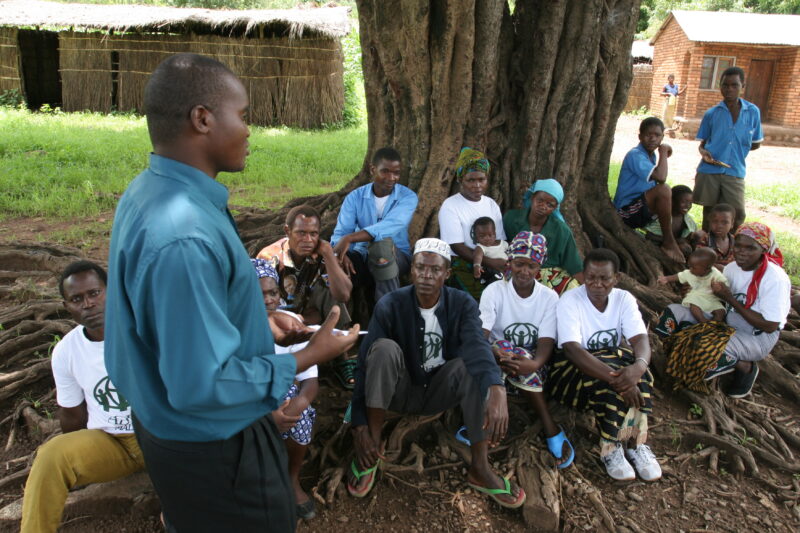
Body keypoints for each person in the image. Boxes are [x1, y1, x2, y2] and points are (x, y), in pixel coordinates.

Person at [104, 53, 359, 532]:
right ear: (202, 119)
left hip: (170, 427)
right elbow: (199, 385)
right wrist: (309, 356)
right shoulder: (184, 235)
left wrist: (258, 326)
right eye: (242, 115)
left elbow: (180, 322)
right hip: (214, 446)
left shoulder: (149, 192)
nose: (248, 130)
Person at [347, 238, 526, 509]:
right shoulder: (390, 304)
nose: (426, 276)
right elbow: (364, 365)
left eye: (435, 270)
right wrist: (358, 425)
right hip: (399, 391)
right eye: (420, 268)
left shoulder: (462, 304)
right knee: (382, 349)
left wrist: (496, 388)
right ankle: (372, 443)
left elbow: (477, 345)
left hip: (440, 392)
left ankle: (480, 467)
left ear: (447, 273)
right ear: (411, 271)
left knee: (469, 365)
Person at [21, 261, 145, 533]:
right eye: (76, 299)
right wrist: (81, 462)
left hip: (160, 436)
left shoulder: (144, 329)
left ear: (111, 291)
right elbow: (72, 415)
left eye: (94, 293)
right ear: (66, 306)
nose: (88, 304)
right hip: (113, 443)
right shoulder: (66, 351)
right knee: (51, 455)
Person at [548, 249, 660, 482]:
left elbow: (640, 339)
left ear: (616, 278)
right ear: (583, 276)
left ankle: (636, 442)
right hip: (571, 374)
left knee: (643, 375)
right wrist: (619, 381)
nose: (597, 284)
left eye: (604, 278)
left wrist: (638, 368)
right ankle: (611, 446)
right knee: (606, 382)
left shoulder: (623, 299)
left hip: (611, 363)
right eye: (591, 277)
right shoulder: (570, 300)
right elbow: (572, 349)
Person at [656, 222, 790, 399]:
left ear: (763, 250)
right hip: (726, 320)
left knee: (702, 353)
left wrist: (730, 299)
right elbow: (718, 297)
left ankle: (745, 367)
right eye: (738, 245)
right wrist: (696, 291)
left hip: (756, 336)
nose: (741, 252)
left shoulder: (775, 279)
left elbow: (770, 325)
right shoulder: (733, 268)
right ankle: (671, 353)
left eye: (750, 248)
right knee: (673, 313)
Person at [478, 231, 574, 468]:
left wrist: (534, 364)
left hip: (534, 366)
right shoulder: (494, 291)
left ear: (539, 268)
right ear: (509, 262)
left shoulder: (549, 298)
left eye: (531, 266)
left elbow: (546, 341)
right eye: (519, 264)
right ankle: (487, 417)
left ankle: (547, 423)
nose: (524, 271)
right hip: (497, 361)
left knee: (521, 355)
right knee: (500, 349)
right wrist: (495, 354)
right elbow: (482, 336)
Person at [251, 259, 320, 521]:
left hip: (282, 403)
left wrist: (298, 406)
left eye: (273, 292)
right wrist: (265, 417)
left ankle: (291, 479)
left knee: (298, 409)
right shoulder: (233, 327)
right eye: (260, 294)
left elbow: (310, 380)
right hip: (246, 404)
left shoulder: (290, 322)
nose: (268, 300)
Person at [257, 205, 356, 388]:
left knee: (330, 290)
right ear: (287, 231)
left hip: (309, 312)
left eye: (313, 234)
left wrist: (328, 254)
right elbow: (263, 304)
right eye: (301, 233)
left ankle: (341, 359)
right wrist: (299, 318)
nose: (308, 240)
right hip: (279, 322)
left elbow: (343, 294)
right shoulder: (270, 258)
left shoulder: (321, 254)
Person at [331, 147, 418, 305]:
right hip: (362, 254)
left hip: (397, 256)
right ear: (372, 169)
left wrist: (350, 238)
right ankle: (339, 318)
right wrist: (342, 255)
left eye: (396, 173)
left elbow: (391, 225)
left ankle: (387, 314)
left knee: (381, 249)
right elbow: (341, 233)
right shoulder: (355, 197)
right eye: (385, 171)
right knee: (334, 267)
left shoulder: (407, 197)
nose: (391, 178)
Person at [695, 66, 763, 230]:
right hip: (710, 171)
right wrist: (705, 154)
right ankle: (708, 243)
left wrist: (735, 151)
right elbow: (703, 144)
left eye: (734, 85)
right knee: (710, 213)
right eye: (725, 85)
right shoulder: (711, 114)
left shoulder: (752, 112)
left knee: (737, 213)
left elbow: (755, 143)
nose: (729, 89)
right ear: (720, 86)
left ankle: (732, 243)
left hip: (735, 170)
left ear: (742, 86)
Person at [613, 117, 684, 263]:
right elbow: (661, 177)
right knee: (664, 190)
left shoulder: (650, 156)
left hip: (641, 207)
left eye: (657, 135)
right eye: (648, 135)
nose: (652, 139)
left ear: (662, 137)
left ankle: (663, 240)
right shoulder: (635, 155)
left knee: (679, 208)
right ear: (640, 137)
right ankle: (668, 242)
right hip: (626, 212)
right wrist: (663, 151)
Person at [438, 147, 506, 299]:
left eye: (481, 179)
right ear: (460, 180)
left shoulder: (491, 205)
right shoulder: (451, 206)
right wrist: (490, 263)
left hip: (492, 260)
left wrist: (500, 262)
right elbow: (457, 246)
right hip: (463, 262)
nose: (477, 185)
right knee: (480, 298)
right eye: (471, 180)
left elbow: (499, 239)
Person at [504, 178, 584, 294]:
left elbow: (574, 265)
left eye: (549, 205)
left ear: (555, 208)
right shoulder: (511, 218)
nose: (543, 206)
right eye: (540, 200)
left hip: (550, 276)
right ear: (532, 198)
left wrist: (587, 292)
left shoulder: (561, 231)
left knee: (573, 290)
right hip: (517, 270)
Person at [657, 247, 728, 323]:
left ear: (707, 268)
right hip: (696, 297)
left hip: (712, 298)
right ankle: (702, 320)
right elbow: (679, 276)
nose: (690, 269)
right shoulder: (690, 273)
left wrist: (719, 286)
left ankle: (714, 323)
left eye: (693, 267)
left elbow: (724, 283)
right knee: (694, 306)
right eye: (690, 266)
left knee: (721, 311)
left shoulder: (716, 274)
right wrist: (666, 279)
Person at [642, 184, 699, 258]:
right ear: (672, 201)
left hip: (674, 247)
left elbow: (687, 238)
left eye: (690, 203)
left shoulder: (688, 221)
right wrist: (674, 241)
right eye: (683, 202)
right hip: (656, 246)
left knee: (686, 248)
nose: (687, 206)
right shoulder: (661, 217)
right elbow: (650, 236)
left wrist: (693, 239)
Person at [696, 203, 736, 270]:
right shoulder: (704, 240)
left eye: (724, 222)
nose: (719, 226)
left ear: (732, 224)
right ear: (710, 222)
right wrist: (718, 268)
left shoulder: (735, 241)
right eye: (715, 221)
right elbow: (699, 262)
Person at [471, 216, 508, 284]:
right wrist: (477, 266)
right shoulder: (480, 247)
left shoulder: (503, 243)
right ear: (476, 238)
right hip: (492, 271)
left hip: (506, 270)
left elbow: (511, 252)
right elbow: (478, 256)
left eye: (490, 235)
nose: (487, 238)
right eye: (482, 236)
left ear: (495, 234)